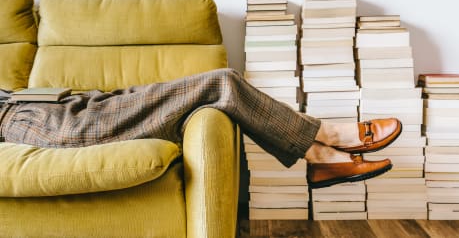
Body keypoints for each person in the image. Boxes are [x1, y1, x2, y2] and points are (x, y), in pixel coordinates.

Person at [0, 68, 401, 188]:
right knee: (221, 82)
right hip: (28, 118)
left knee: (220, 85)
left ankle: (320, 155)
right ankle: (325, 141)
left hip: (59, 97)